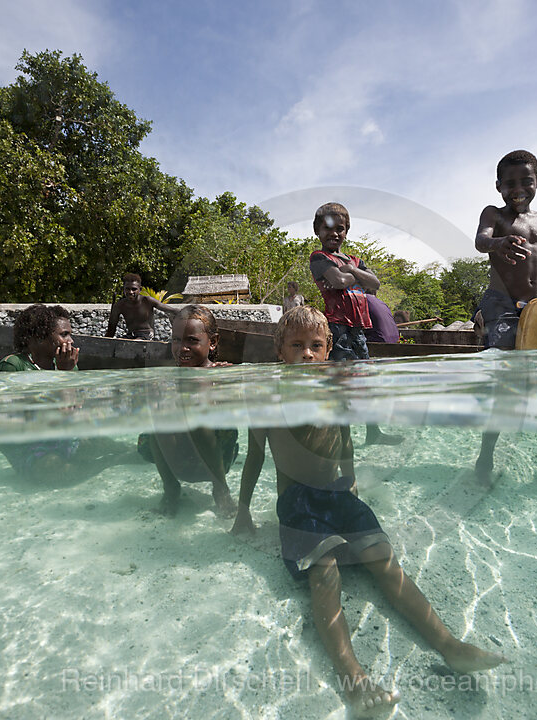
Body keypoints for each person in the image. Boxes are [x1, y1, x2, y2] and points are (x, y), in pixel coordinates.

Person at [232, 307, 506, 717]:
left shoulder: (335, 392)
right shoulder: (269, 398)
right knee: (325, 571)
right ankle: (354, 677)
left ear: (327, 351)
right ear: (280, 351)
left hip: (340, 494)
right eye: (297, 345)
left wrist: (352, 480)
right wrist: (243, 510)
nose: (307, 354)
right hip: (298, 502)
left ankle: (449, 645)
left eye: (316, 346)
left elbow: (343, 439)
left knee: (385, 562)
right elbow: (254, 457)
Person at [0, 304, 137, 506]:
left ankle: (137, 453)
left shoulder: (66, 364)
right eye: (64, 334)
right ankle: (112, 462)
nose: (71, 341)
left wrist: (66, 375)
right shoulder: (14, 366)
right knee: (54, 471)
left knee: (102, 444)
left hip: (61, 438)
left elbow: (71, 412)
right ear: (38, 338)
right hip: (29, 449)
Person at [473, 150, 537, 483]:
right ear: (498, 187)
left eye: (526, 181)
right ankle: (485, 460)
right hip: (500, 304)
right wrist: (498, 244)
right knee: (507, 387)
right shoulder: (495, 215)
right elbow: (481, 240)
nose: (518, 189)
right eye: (510, 183)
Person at [309, 202, 402, 446]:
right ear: (317, 231)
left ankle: (374, 433)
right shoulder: (319, 258)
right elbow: (339, 281)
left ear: (346, 232)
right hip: (337, 328)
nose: (334, 233)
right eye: (328, 228)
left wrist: (350, 270)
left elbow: (376, 284)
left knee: (365, 378)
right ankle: (342, 438)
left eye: (340, 228)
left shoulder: (353, 259)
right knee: (341, 383)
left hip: (358, 328)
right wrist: (355, 274)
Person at [139, 305, 237, 517]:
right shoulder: (167, 379)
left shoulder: (222, 373)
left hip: (216, 461)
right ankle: (171, 488)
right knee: (159, 416)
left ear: (213, 342)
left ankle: (221, 490)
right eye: (176, 340)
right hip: (178, 460)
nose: (182, 348)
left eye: (192, 340)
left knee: (197, 416)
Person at [105, 273, 177, 339]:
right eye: (127, 289)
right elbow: (111, 329)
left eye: (134, 289)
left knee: (135, 343)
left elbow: (169, 309)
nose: (130, 292)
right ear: (123, 289)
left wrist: (184, 312)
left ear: (140, 290)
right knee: (121, 345)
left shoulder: (147, 301)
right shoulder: (120, 305)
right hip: (131, 335)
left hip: (147, 334)